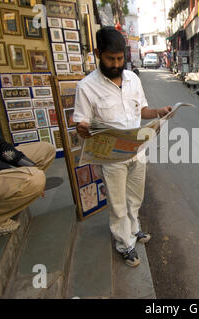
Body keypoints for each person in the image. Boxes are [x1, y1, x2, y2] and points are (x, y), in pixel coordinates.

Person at [73, 27, 172, 267]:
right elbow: (81, 122)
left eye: (120, 59)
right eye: (111, 59)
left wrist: (158, 112)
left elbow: (142, 110)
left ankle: (134, 228)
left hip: (136, 150)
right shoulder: (86, 87)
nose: (117, 64)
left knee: (135, 197)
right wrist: (83, 128)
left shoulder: (133, 80)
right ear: (98, 53)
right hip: (111, 157)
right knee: (117, 203)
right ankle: (124, 243)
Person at [0, 75, 56, 237]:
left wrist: (28, 166)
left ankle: (11, 195)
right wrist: (18, 172)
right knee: (34, 178)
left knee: (46, 150)